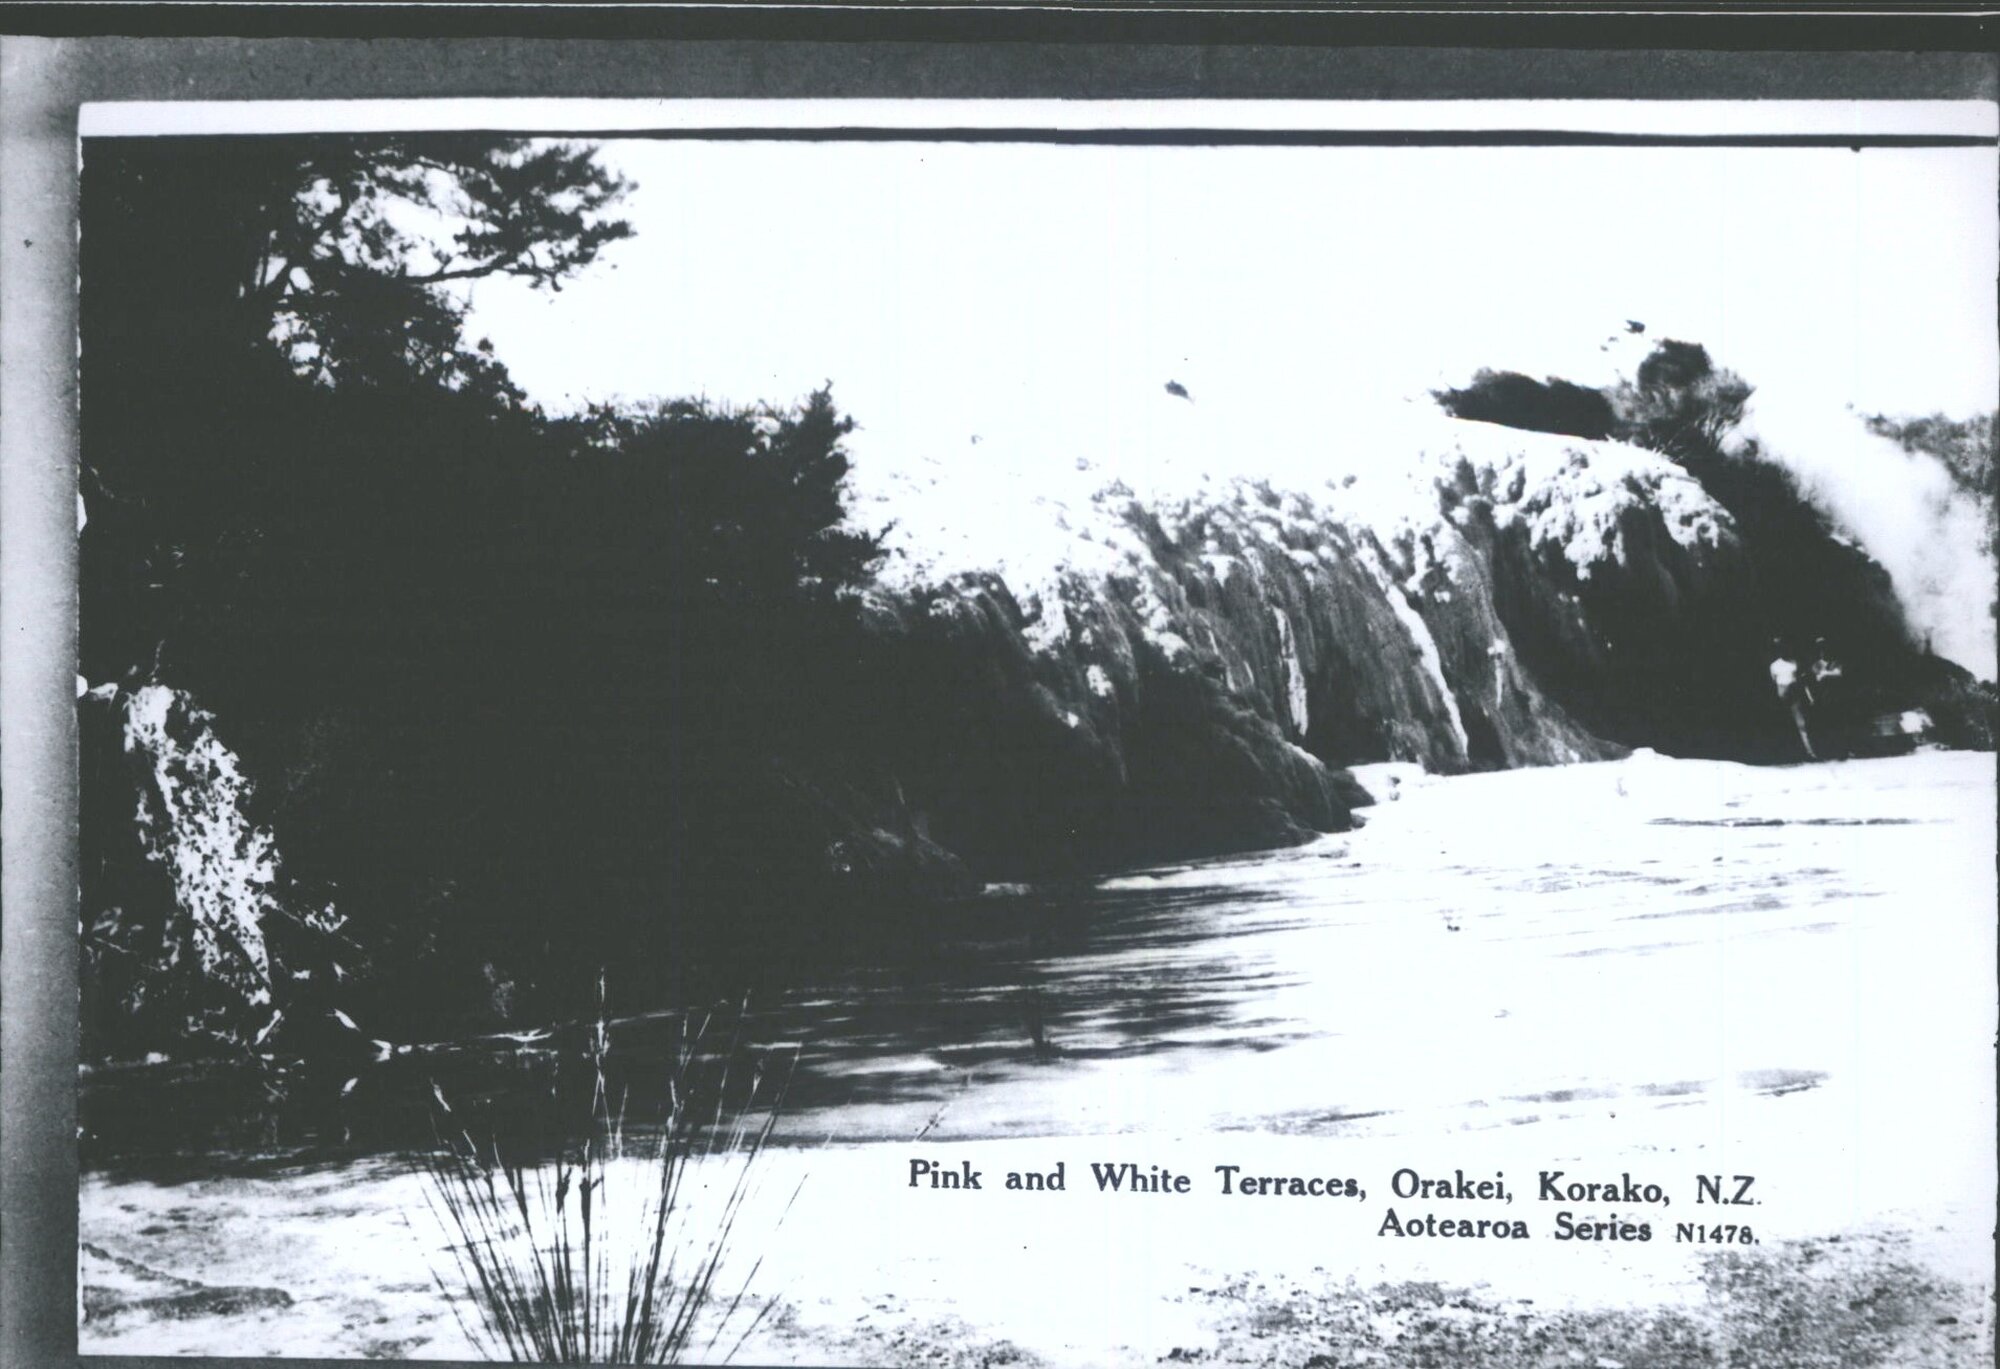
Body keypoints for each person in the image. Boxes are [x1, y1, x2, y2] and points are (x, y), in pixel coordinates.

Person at [1768, 640, 1817, 760]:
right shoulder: (1774, 666)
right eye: (1778, 648)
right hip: (1782, 697)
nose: (1782, 650)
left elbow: (1801, 682)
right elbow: (1774, 683)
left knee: (1802, 724)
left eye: (1783, 647)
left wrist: (1809, 696)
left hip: (1794, 695)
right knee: (1784, 725)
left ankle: (1810, 752)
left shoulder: (1794, 663)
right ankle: (1787, 753)